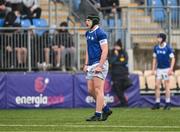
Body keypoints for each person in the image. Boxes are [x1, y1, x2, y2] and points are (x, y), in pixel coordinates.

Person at [83, 14, 112, 121]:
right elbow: (87, 49)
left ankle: (98, 114)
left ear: (94, 21)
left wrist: (100, 66)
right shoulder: (87, 33)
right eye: (86, 20)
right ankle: (106, 109)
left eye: (88, 20)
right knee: (90, 91)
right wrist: (86, 64)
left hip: (100, 63)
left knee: (98, 89)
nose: (86, 22)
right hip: (91, 64)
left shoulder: (100, 33)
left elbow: (105, 50)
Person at [151, 33, 175, 110]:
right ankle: (157, 103)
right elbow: (154, 59)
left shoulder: (168, 48)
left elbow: (173, 59)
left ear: (163, 39)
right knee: (156, 86)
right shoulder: (156, 47)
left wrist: (171, 69)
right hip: (159, 69)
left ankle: (167, 103)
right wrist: (153, 69)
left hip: (166, 69)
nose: (158, 39)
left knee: (166, 86)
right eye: (158, 38)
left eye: (159, 38)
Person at [109, 39, 132, 107]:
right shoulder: (112, 52)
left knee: (128, 84)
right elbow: (111, 62)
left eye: (118, 46)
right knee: (117, 89)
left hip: (123, 74)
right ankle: (124, 104)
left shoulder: (124, 52)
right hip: (115, 74)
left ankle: (123, 103)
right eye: (115, 46)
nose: (116, 47)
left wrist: (116, 63)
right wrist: (116, 56)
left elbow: (125, 62)